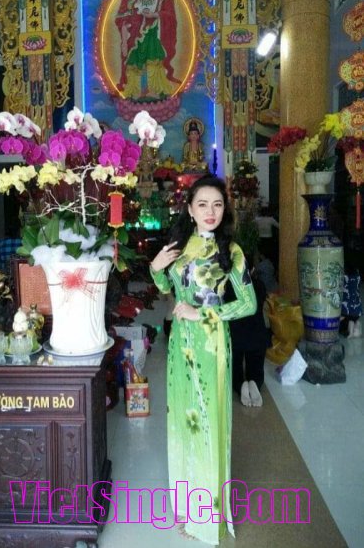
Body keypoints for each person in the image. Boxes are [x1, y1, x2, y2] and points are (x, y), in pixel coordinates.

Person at [150, 175, 257, 545]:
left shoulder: (232, 251)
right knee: (183, 420)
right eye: (203, 204)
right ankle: (185, 507)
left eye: (217, 204)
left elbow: (248, 304)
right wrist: (156, 268)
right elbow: (167, 290)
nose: (211, 212)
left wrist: (204, 314)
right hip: (180, 345)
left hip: (211, 343)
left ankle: (206, 516)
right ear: (190, 209)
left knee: (207, 422)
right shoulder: (179, 246)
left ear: (224, 209)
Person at [115, 0, 180, 99]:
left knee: (154, 61)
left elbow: (171, 15)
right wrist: (125, 38)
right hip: (134, 36)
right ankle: (134, 93)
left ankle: (157, 91)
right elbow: (121, 18)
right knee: (134, 63)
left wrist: (155, 15)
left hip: (155, 34)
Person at [228, 264, 272, 407]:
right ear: (252, 270)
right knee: (256, 370)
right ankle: (254, 383)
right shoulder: (259, 285)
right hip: (257, 335)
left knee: (235, 370)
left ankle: (241, 385)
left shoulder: (228, 286)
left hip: (235, 337)